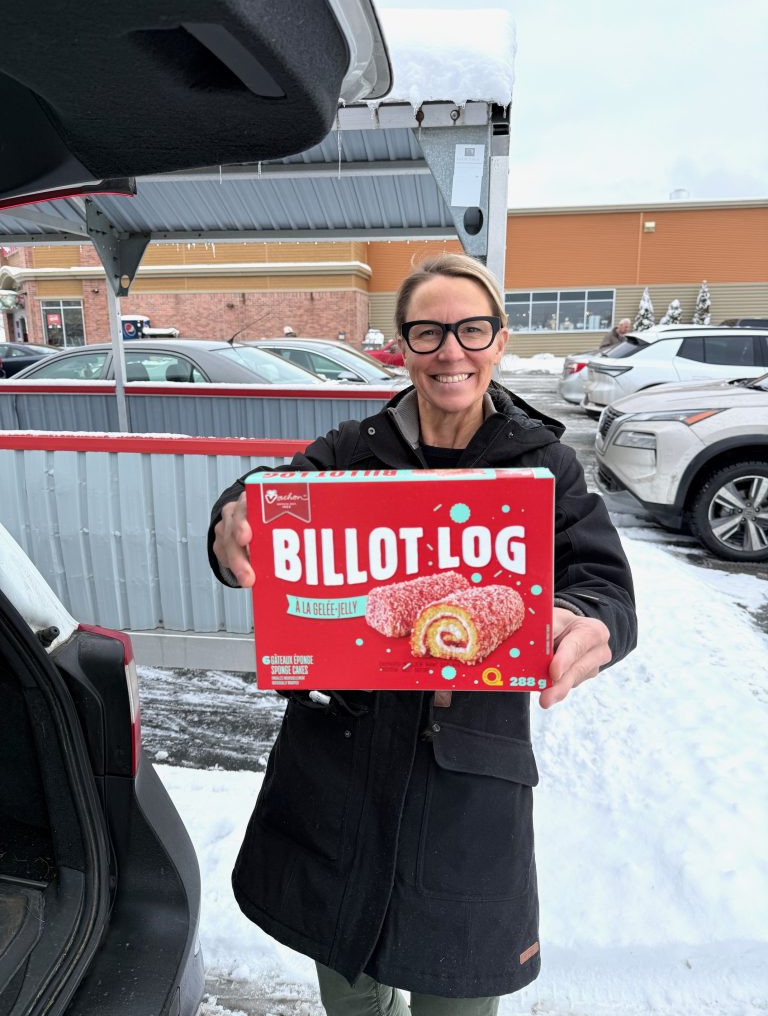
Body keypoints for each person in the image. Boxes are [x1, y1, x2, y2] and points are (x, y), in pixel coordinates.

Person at [208, 254, 637, 1016]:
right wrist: (235, 513)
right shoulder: (352, 450)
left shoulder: (545, 465)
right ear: (402, 347)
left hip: (467, 789)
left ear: (499, 341)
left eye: (472, 329)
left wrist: (589, 618)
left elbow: (603, 582)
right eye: (428, 332)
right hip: (340, 776)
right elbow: (275, 495)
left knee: (456, 993)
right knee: (351, 991)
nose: (450, 351)